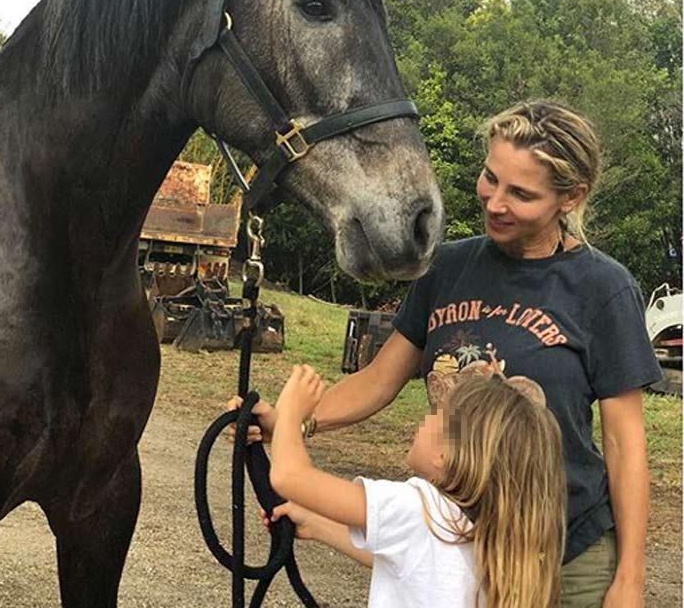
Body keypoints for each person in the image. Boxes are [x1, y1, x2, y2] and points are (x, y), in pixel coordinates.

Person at [239, 100, 662, 608]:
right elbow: (380, 379)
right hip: (460, 540)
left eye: (521, 194)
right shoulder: (446, 267)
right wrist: (293, 419)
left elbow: (623, 444)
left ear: (570, 197)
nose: (495, 202)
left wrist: (629, 580)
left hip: (564, 553)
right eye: (491, 178)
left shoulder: (602, 288)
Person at [262, 362, 565, 608]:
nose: (424, 419)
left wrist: (290, 411)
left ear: (448, 452)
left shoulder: (421, 506)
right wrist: (315, 524)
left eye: (435, 414)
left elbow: (289, 476)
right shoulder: (488, 531)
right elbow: (411, 559)